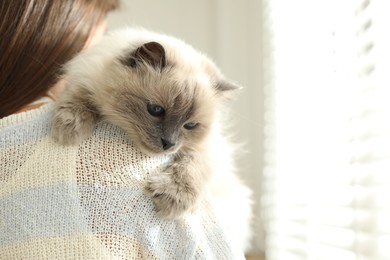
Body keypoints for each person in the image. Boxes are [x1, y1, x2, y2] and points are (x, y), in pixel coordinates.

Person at [0, 1, 245, 259]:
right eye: (156, 110)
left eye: (190, 125)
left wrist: (191, 172)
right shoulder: (123, 165)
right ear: (63, 36)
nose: (169, 140)